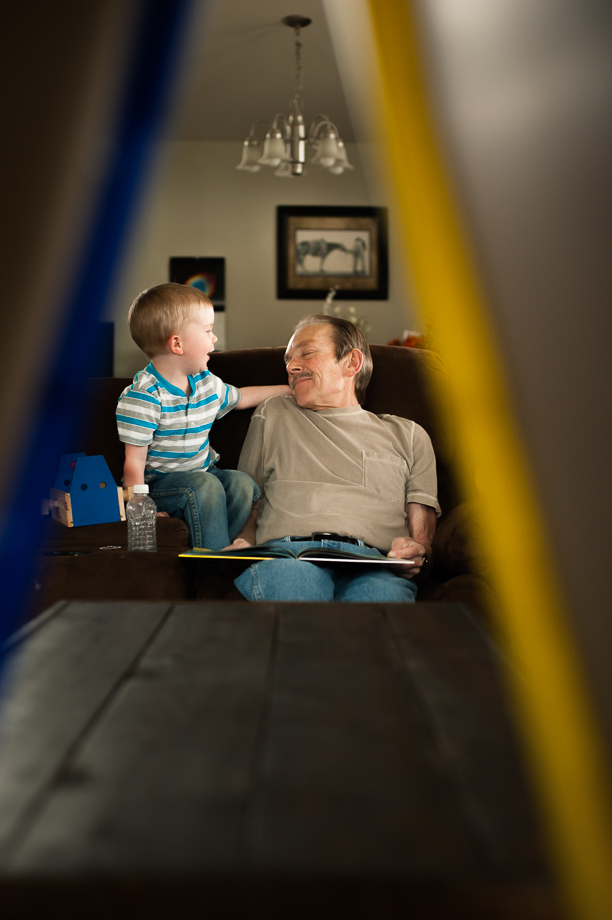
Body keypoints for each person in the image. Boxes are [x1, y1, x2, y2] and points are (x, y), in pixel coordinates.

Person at [229, 314, 441, 603]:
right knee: (295, 587)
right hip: (290, 555)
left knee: (381, 600)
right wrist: (242, 542)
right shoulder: (274, 412)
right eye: (288, 360)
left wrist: (418, 551)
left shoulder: (409, 435)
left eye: (307, 353)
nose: (291, 366)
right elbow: (251, 503)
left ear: (352, 363)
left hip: (374, 563)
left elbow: (423, 540)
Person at [116, 283, 290, 549]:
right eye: (208, 330)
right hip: (160, 485)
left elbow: (242, 397)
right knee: (204, 485)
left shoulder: (207, 384)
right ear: (177, 343)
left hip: (204, 475)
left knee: (242, 484)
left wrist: (289, 390)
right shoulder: (143, 397)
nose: (214, 338)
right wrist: (140, 507)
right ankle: (215, 565)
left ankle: (211, 546)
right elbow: (134, 462)